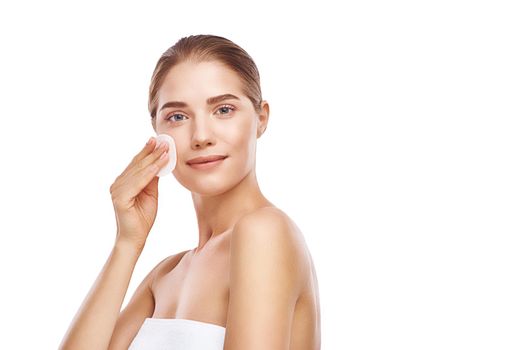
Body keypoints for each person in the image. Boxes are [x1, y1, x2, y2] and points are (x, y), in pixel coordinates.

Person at [59, 34, 321, 350]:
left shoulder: (265, 231)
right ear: (158, 132)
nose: (200, 136)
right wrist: (127, 243)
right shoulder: (164, 275)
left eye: (223, 109)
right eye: (178, 117)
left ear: (261, 118)